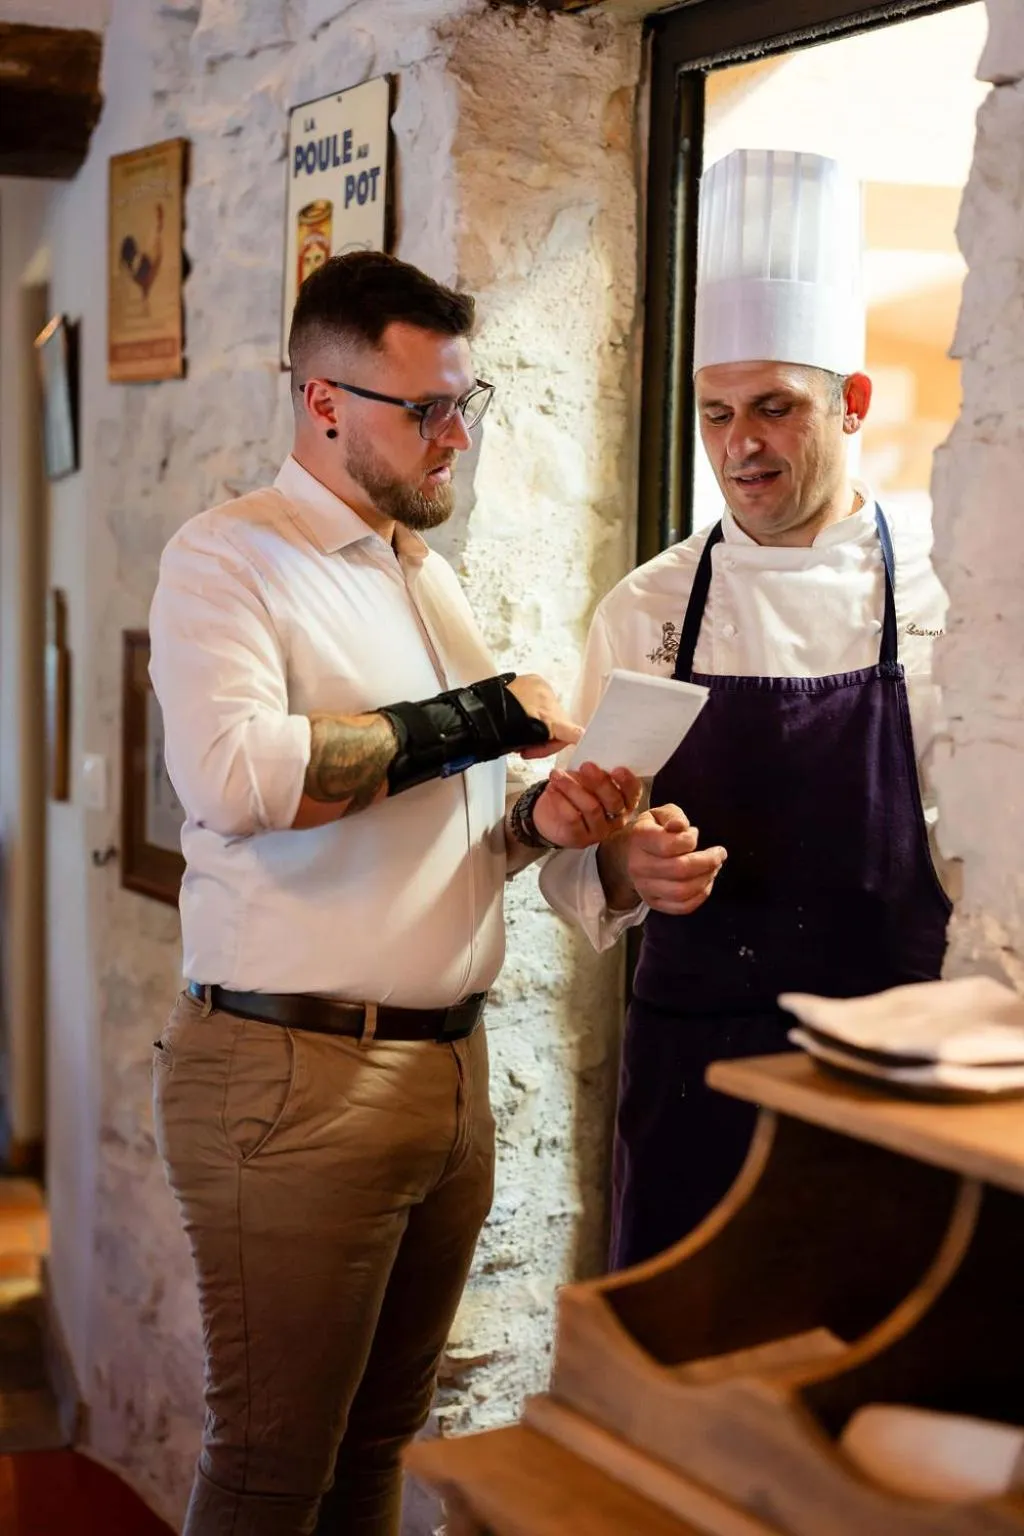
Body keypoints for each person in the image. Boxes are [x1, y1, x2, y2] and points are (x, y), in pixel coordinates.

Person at [149, 250, 639, 1536]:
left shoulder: (421, 572)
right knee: (270, 1469)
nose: (456, 439)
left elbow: (455, 825)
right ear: (321, 402)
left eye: (464, 405)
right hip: (293, 1075)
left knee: (377, 1449)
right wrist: (482, 714)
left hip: (444, 1075)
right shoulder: (229, 558)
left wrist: (547, 816)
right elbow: (240, 775)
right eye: (425, 409)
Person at [540, 149, 951, 1272]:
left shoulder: (943, 603)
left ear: (851, 403)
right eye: (716, 412)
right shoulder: (647, 608)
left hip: (894, 1065)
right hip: (698, 1071)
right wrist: (632, 865)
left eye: (774, 408)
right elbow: (577, 856)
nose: (739, 447)